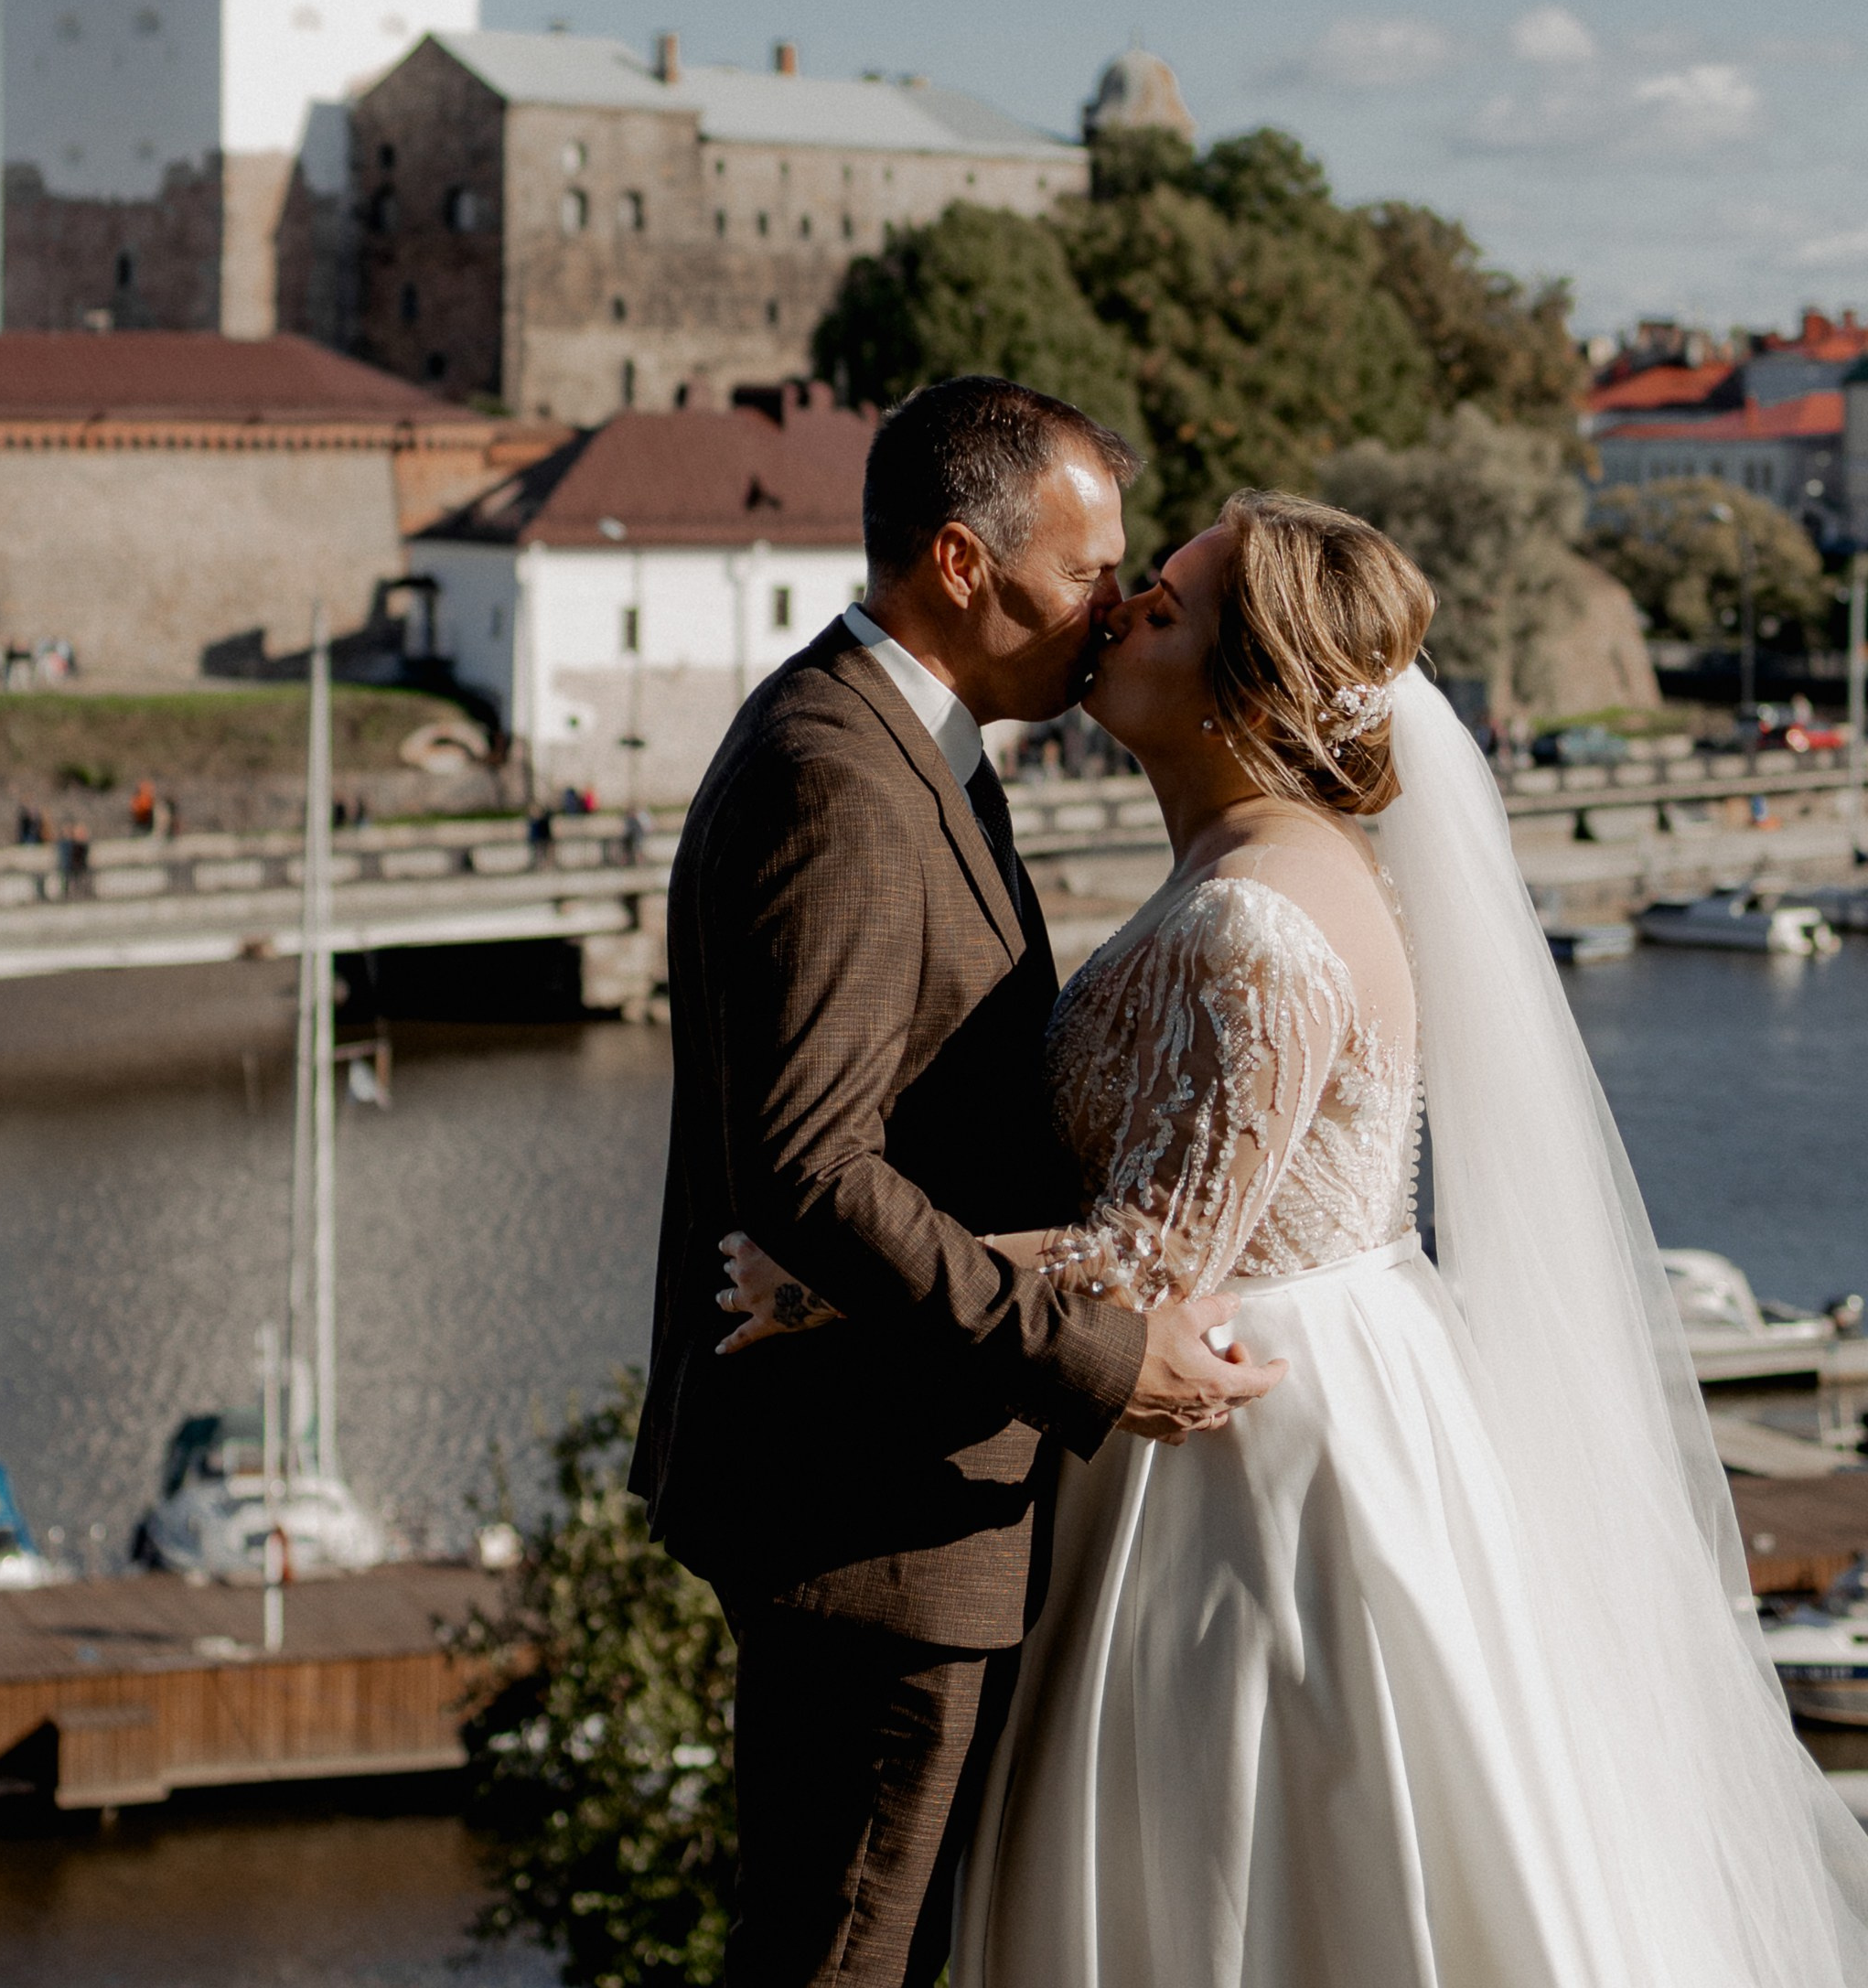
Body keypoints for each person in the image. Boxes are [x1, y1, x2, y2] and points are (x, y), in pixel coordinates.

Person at [724, 489, 1868, 1987]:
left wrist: (824, 1291)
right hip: (1308, 1387)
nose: (1123, 609)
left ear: (1243, 687)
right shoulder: (1268, 867)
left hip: (1256, 1466)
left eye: (1169, 607)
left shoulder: (1252, 920)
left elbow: (1152, 1268)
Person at [632, 378, 1277, 1988]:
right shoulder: (839, 775)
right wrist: (1096, 1355)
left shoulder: (910, 748)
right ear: (960, 563)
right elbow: (807, 1168)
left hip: (899, 1494)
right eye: (1087, 574)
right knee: (846, 1959)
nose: (1113, 608)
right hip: (871, 1517)